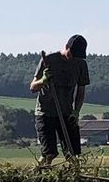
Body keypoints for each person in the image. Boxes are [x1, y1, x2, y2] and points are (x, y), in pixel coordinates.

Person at [30, 34, 89, 162]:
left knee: (73, 154)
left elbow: (81, 91)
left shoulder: (81, 64)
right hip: (45, 113)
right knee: (49, 154)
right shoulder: (49, 60)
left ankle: (74, 172)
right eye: (72, 54)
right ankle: (41, 171)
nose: (73, 58)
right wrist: (43, 80)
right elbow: (33, 88)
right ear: (66, 47)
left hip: (67, 113)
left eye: (77, 56)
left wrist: (76, 111)